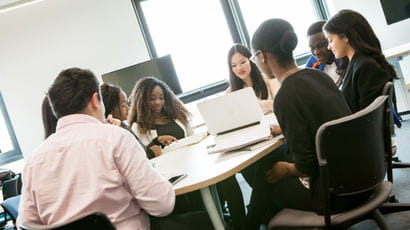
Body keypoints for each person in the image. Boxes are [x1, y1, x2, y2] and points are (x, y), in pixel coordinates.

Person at [247, 18, 371, 229]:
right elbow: (325, 126)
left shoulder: (285, 95)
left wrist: (286, 169)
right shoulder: (318, 76)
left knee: (265, 180)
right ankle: (247, 225)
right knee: (270, 166)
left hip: (336, 194)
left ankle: (247, 225)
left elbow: (306, 166)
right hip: (364, 176)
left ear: (262, 56)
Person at [18, 68, 175, 230]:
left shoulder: (33, 161)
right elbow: (162, 205)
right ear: (95, 100)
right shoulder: (116, 138)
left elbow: (25, 224)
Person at [128, 77, 245, 229]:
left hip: (195, 166)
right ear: (142, 100)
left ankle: (241, 225)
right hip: (174, 178)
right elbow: (148, 158)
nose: (158, 102)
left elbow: (193, 139)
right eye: (152, 99)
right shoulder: (139, 128)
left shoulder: (177, 116)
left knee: (229, 180)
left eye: (161, 98)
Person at [323, 9, 395, 113]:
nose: (329, 47)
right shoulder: (355, 63)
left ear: (345, 37)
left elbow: (368, 117)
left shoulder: (366, 66)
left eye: (330, 40)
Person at [100, 83, 175, 158]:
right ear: (109, 109)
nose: (128, 108)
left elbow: (140, 149)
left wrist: (156, 141)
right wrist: (151, 153)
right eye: (123, 105)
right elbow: (130, 159)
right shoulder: (114, 133)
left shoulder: (123, 125)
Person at [226, 44, 280, 114]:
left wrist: (260, 104)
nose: (239, 68)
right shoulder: (230, 92)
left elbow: (279, 105)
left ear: (251, 60)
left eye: (243, 62)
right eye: (234, 65)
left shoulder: (269, 78)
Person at [305, 20, 347, 86]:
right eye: (312, 48)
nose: (316, 52)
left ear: (331, 41)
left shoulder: (347, 59)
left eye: (321, 45)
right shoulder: (312, 66)